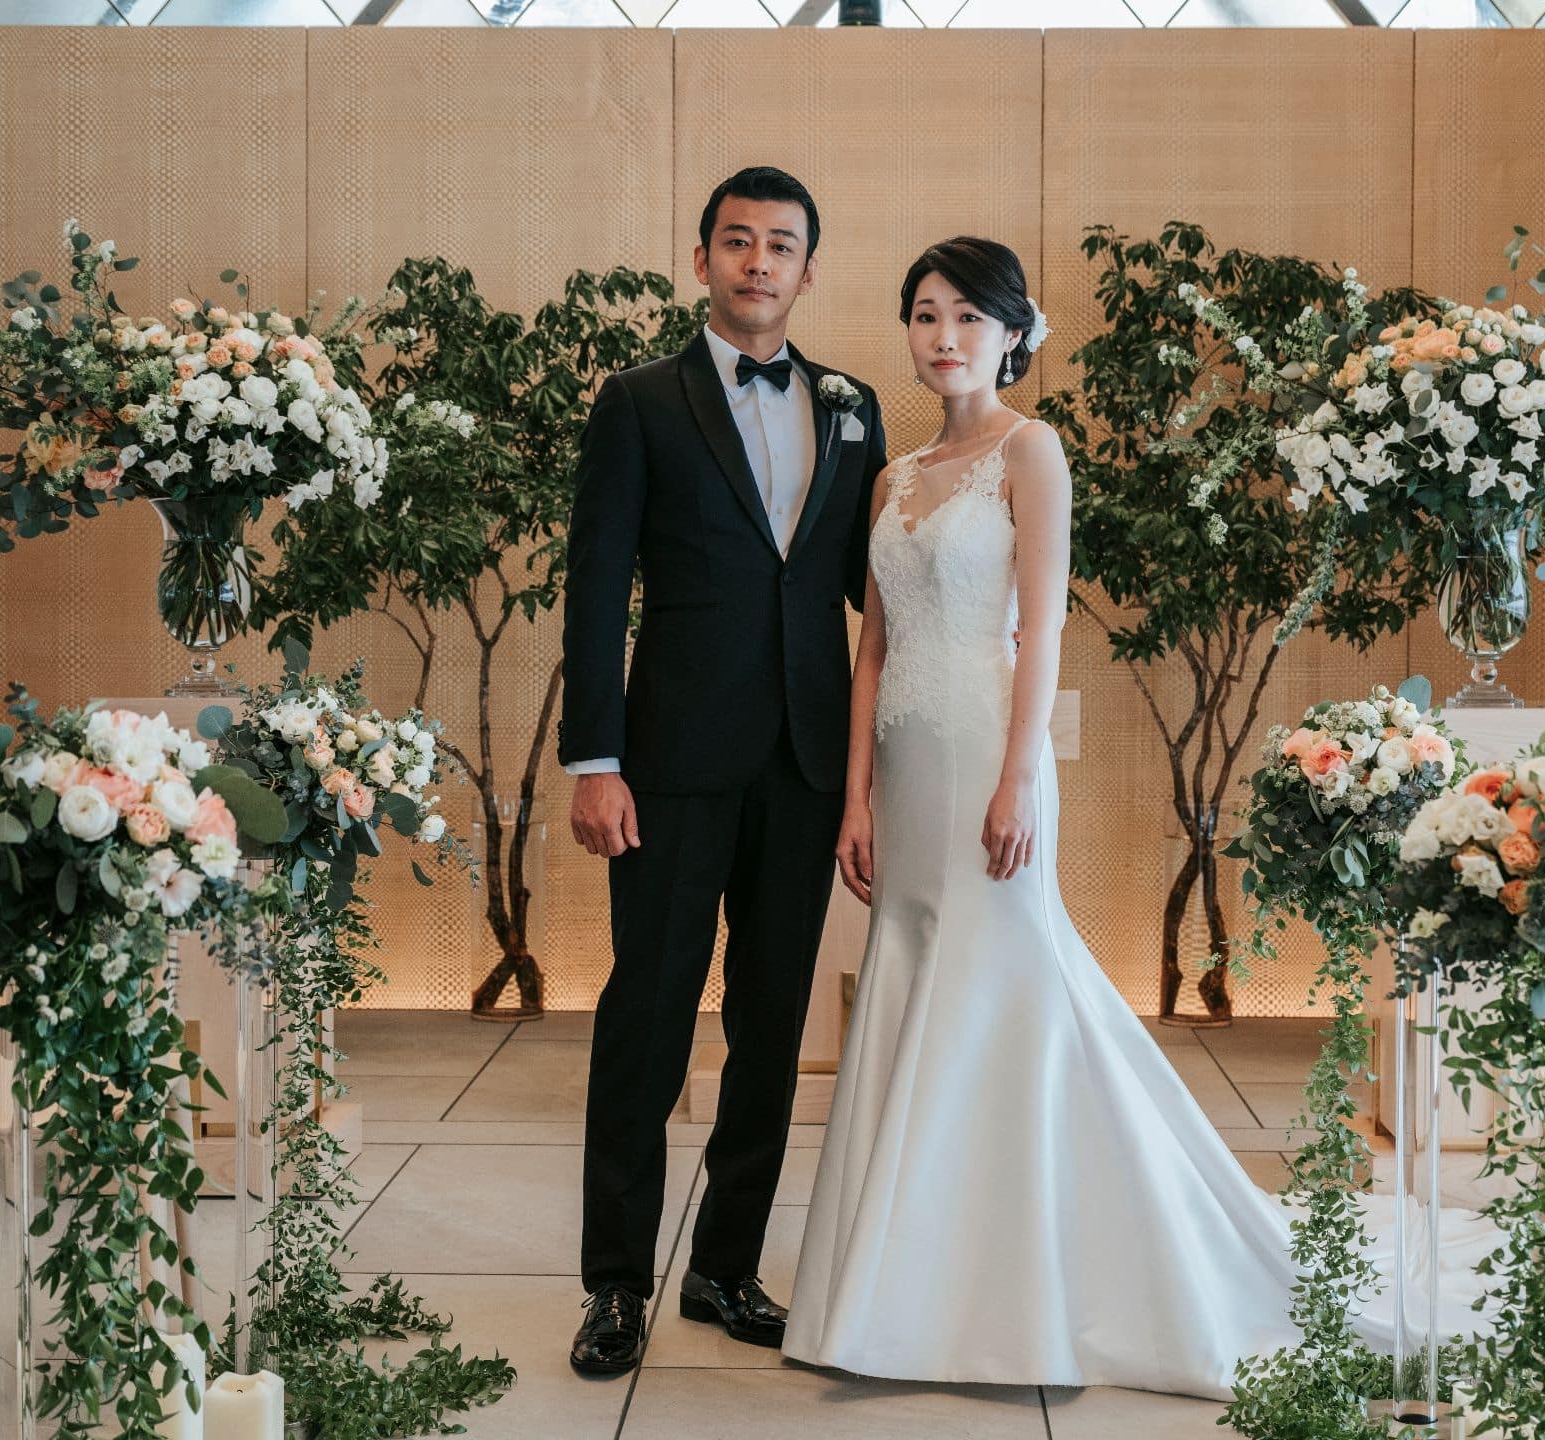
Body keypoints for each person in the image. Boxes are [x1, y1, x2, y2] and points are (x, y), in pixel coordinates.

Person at [780, 236, 1494, 1398]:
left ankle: (1015, 1286)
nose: (942, 335)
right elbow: (869, 652)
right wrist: (853, 795)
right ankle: (898, 1287)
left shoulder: (1032, 451)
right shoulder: (891, 476)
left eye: (967, 315)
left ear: (1013, 333)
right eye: (923, 314)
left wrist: (1020, 777)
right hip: (905, 770)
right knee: (915, 987)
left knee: (1003, 985)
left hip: (987, 758)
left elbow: (1043, 630)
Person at [557, 166, 890, 1376]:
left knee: (771, 1023)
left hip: (803, 767)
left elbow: (875, 595)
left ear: (807, 269)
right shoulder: (638, 400)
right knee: (645, 1016)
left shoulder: (853, 407)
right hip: (669, 763)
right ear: (701, 260)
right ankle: (611, 1283)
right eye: (737, 242)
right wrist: (595, 760)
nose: (759, 263)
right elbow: (596, 590)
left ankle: (724, 1266)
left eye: (782, 246)